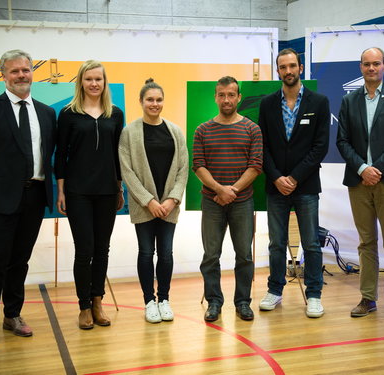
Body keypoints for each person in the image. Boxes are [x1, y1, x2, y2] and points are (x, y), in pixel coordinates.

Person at [336, 47, 384, 323]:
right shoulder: (349, 101)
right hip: (358, 181)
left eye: (376, 64)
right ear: (360, 67)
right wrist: (362, 168)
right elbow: (342, 140)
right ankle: (368, 298)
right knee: (366, 242)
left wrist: (376, 169)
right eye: (366, 64)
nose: (371, 68)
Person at [0, 50, 56, 350]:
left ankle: (12, 316)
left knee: (20, 262)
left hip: (34, 197)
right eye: (14, 71)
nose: (21, 76)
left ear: (32, 72)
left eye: (25, 70)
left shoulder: (46, 112)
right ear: (3, 74)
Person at [258, 48, 330, 318]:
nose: (288, 71)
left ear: (300, 68)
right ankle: (274, 290)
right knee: (277, 243)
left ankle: (314, 294)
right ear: (278, 71)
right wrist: (276, 177)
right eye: (282, 67)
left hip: (306, 185)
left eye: (292, 66)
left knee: (311, 243)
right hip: (275, 185)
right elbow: (261, 146)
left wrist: (295, 177)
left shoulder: (319, 102)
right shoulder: (267, 104)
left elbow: (320, 147)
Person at [55, 60, 124, 330]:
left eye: (99, 79)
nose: (94, 83)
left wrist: (120, 187)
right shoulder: (68, 114)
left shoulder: (115, 114)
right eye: (89, 79)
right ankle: (84, 306)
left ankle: (98, 302)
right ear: (80, 82)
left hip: (107, 191)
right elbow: (60, 154)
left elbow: (120, 156)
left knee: (102, 249)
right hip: (78, 192)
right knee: (84, 251)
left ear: (105, 83)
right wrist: (61, 189)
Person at [193, 76, 262, 322]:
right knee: (211, 255)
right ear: (215, 97)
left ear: (238, 97)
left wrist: (231, 191)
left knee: (244, 254)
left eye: (231, 95)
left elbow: (255, 166)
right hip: (211, 202)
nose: (226, 99)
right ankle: (214, 301)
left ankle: (243, 302)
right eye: (221, 95)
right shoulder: (203, 129)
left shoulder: (252, 129)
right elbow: (198, 166)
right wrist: (219, 190)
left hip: (242, 202)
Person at [119, 79, 188, 323]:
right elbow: (127, 170)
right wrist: (149, 201)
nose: (154, 103)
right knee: (146, 252)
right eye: (150, 99)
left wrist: (172, 199)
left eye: (158, 99)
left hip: (169, 206)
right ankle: (149, 301)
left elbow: (183, 168)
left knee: (166, 253)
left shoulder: (175, 131)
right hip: (144, 206)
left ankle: (164, 300)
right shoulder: (129, 132)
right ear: (141, 101)